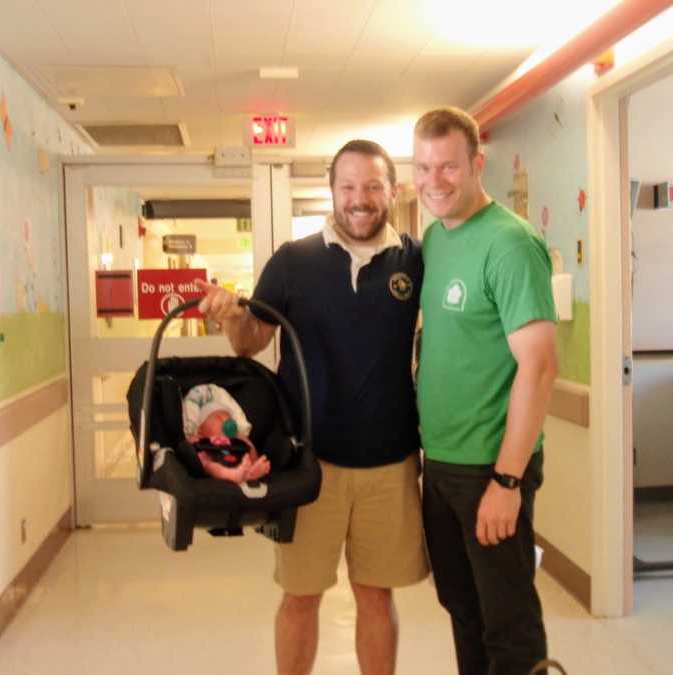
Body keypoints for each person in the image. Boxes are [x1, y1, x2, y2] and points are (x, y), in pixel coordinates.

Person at [196, 139, 428, 675]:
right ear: (332, 191)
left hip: (390, 463)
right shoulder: (293, 261)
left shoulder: (415, 260)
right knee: (300, 597)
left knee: (376, 596)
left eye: (372, 186)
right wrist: (231, 314)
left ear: (392, 191)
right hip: (308, 465)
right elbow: (249, 342)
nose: (360, 199)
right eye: (348, 186)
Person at [413, 107, 559, 675]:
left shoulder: (511, 244)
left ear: (477, 163)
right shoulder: (435, 239)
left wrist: (507, 479)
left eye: (448, 167)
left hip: (489, 469)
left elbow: (540, 367)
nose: (434, 182)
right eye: (424, 168)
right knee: (462, 609)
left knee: (508, 623)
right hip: (442, 463)